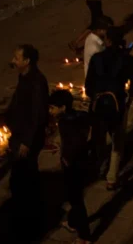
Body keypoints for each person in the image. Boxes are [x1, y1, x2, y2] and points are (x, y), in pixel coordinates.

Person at [85, 27, 133, 190]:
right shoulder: (128, 59)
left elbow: (88, 86)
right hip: (118, 104)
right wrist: (128, 102)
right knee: (117, 141)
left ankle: (100, 168)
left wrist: (95, 98)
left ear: (107, 40)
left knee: (99, 138)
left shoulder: (96, 58)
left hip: (98, 106)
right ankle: (112, 178)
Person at [6, 44, 49, 241]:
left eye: (16, 58)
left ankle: (31, 221)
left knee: (25, 178)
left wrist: (27, 142)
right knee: (21, 177)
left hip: (27, 139)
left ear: (27, 61)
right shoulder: (23, 77)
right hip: (19, 135)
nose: (13, 61)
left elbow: (37, 115)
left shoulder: (37, 82)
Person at [49, 89, 92, 244]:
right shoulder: (80, 116)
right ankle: (73, 222)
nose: (50, 111)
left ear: (63, 108)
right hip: (82, 161)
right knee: (74, 196)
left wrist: (66, 158)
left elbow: (72, 143)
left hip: (73, 165)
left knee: (76, 200)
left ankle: (84, 236)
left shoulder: (65, 123)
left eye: (52, 108)